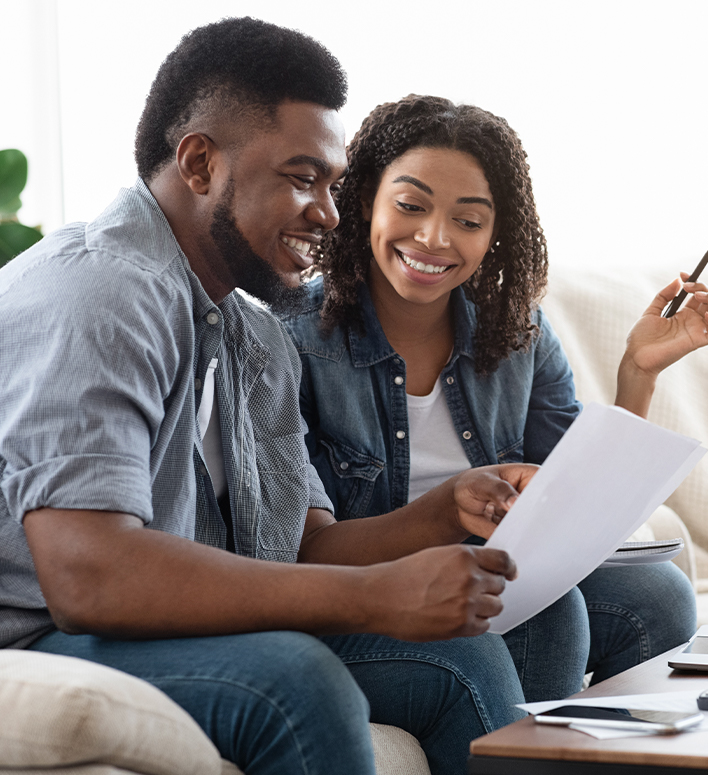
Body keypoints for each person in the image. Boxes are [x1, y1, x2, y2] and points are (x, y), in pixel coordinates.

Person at [0, 19, 545, 775]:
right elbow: (89, 577)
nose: (328, 212)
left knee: (467, 654)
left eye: (332, 183)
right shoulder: (98, 293)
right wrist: (371, 597)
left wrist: (444, 508)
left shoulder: (254, 336)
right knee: (298, 680)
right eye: (301, 177)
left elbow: (304, 545)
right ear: (199, 164)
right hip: (38, 633)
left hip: (158, 628)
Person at [281, 95, 708, 700]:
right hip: (368, 588)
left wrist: (638, 372)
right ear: (365, 201)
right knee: (551, 610)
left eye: (468, 221)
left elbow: (578, 502)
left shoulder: (518, 333)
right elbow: (308, 551)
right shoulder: (293, 340)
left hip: (498, 576)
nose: (434, 239)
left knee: (658, 597)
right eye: (410, 206)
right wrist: (445, 511)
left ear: (495, 233)